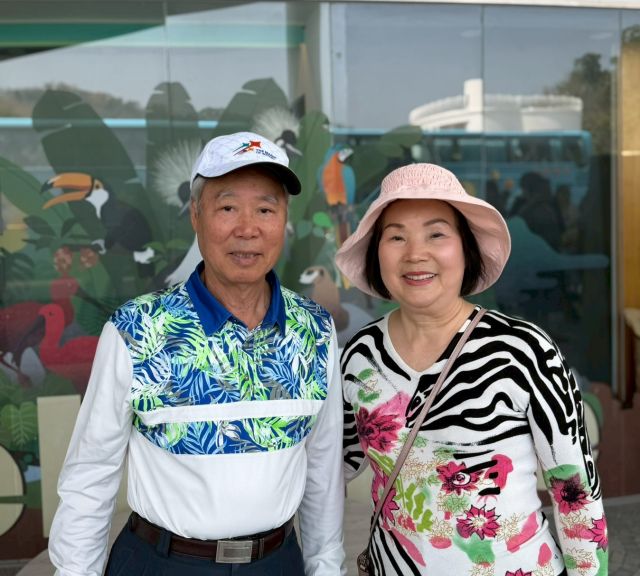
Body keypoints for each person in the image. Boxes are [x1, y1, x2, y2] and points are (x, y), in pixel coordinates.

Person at [48, 131, 346, 576]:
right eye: (227, 208)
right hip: (162, 564)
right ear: (195, 215)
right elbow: (91, 473)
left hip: (277, 563)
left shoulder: (314, 330)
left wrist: (326, 568)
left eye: (265, 209)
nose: (247, 228)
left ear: (284, 219)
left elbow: (323, 473)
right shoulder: (137, 328)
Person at [336, 163, 607, 575]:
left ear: (466, 247)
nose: (415, 254)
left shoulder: (523, 350)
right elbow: (330, 467)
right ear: (377, 252)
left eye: (436, 234)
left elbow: (576, 493)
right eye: (396, 237)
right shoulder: (361, 354)